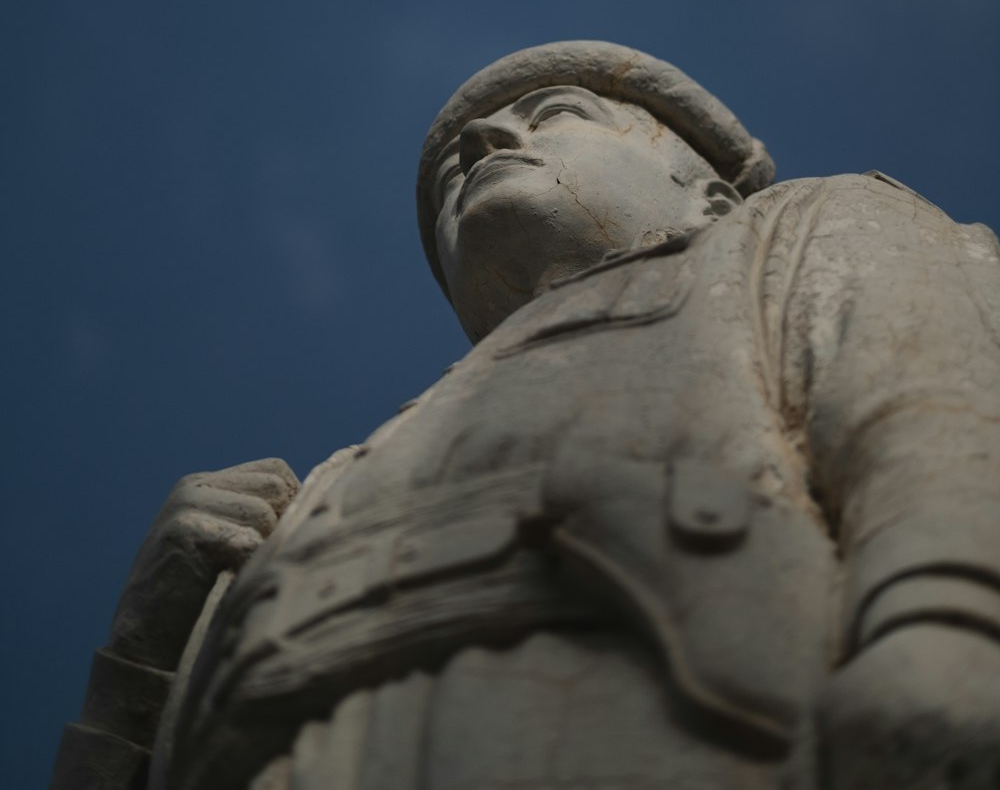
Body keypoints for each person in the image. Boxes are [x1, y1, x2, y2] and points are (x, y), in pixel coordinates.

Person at [52, 41, 1000, 790]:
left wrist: (947, 626)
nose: (481, 150)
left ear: (706, 192)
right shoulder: (344, 472)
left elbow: (928, 411)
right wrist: (137, 667)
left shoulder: (798, 236)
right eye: (452, 182)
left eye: (555, 115)